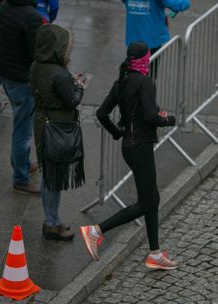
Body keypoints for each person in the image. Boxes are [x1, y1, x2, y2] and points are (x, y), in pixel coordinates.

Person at [79, 41, 178, 269]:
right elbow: (153, 117)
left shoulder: (121, 82)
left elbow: (102, 113)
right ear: (145, 60)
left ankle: (154, 254)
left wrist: (117, 133)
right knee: (146, 202)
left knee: (152, 200)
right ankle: (95, 231)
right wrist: (168, 119)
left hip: (129, 147)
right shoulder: (144, 82)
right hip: (141, 147)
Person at [31, 24, 87, 241]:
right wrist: (79, 86)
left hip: (41, 122)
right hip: (57, 126)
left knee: (47, 171)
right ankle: (52, 222)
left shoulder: (36, 66)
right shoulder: (59, 74)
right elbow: (72, 100)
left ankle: (51, 219)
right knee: (53, 177)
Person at [0, 0, 44, 194]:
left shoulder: (4, 6)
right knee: (23, 131)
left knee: (20, 123)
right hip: (22, 80)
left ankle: (22, 163)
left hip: (6, 74)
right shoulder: (31, 17)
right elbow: (37, 53)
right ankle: (21, 178)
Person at [121, 0, 190, 54]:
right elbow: (178, 5)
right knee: (151, 69)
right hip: (152, 38)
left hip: (133, 36)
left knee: (135, 69)